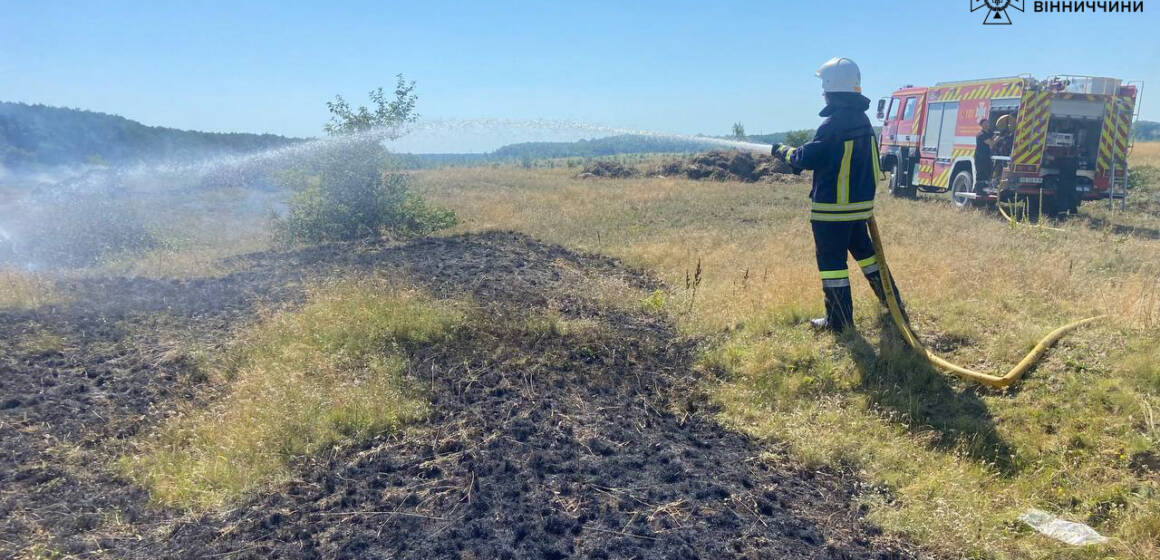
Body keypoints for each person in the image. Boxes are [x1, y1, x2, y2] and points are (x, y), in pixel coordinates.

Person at [771, 57, 905, 333]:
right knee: (868, 258)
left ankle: (839, 321)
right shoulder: (862, 120)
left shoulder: (833, 124)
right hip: (858, 210)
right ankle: (894, 304)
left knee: (833, 266)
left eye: (823, 87)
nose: (822, 92)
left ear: (831, 89)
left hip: (832, 213)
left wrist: (781, 151)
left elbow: (805, 157)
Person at [974, 117, 997, 194]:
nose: (987, 124)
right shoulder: (980, 135)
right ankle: (979, 191)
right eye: (985, 123)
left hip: (987, 157)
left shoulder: (989, 132)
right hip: (980, 158)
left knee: (989, 173)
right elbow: (991, 143)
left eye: (987, 122)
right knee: (981, 174)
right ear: (982, 125)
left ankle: (986, 190)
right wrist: (1000, 137)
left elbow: (993, 136)